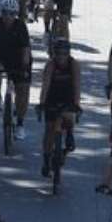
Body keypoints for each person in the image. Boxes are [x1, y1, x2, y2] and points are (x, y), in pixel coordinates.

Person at [0, 0, 33, 140]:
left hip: (19, 60)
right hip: (1, 58)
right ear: (1, 13)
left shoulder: (21, 26)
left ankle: (20, 123)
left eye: (12, 14)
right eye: (5, 13)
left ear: (16, 14)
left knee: (23, 91)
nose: (8, 17)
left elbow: (26, 49)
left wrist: (25, 67)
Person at [39, 37, 82, 176]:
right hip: (52, 97)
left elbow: (76, 85)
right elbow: (45, 85)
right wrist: (42, 103)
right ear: (54, 53)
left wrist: (76, 104)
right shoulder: (50, 65)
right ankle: (46, 160)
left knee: (69, 116)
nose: (61, 57)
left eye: (64, 54)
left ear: (68, 53)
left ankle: (69, 134)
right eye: (58, 53)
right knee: (49, 130)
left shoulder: (73, 64)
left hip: (67, 96)